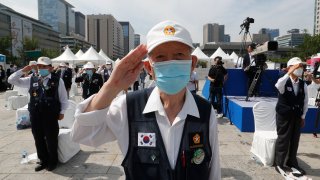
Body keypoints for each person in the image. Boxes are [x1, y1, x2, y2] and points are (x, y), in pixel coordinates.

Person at [71, 20, 221, 179]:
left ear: (192, 63)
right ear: (149, 68)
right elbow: (82, 134)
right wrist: (111, 86)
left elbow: (214, 172)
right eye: (161, 57)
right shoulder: (128, 107)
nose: (170, 63)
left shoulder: (205, 110)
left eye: (179, 55)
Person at [8, 57, 69, 171]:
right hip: (35, 115)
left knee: (51, 139)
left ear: (50, 68)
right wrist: (23, 70)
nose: (41, 69)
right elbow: (11, 80)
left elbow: (64, 99)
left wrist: (62, 112)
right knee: (38, 138)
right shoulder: (32, 78)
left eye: (44, 67)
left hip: (50, 115)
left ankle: (52, 161)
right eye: (39, 66)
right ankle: (43, 161)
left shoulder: (57, 80)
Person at [274, 57, 308, 176]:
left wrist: (303, 116)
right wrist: (289, 72)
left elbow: (305, 101)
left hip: (297, 116)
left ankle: (292, 162)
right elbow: (278, 86)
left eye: (301, 67)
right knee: (283, 139)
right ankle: (279, 163)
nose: (300, 69)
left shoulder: (303, 84)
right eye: (297, 66)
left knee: (295, 140)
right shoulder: (283, 81)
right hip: (284, 116)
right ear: (290, 67)